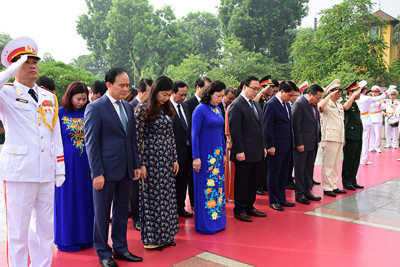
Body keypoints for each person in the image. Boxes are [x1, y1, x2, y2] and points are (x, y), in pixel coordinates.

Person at [0, 37, 65, 267]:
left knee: (45, 229)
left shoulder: (49, 96)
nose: (33, 65)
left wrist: (60, 168)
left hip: (45, 171)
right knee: (18, 232)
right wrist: (9, 71)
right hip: (19, 172)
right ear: (15, 66)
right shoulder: (6, 93)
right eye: (26, 61)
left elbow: (55, 135)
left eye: (35, 60)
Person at [85, 67, 143, 267]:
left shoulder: (127, 107)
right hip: (105, 171)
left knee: (120, 212)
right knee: (102, 213)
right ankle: (103, 252)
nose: (126, 89)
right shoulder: (95, 107)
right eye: (122, 85)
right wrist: (97, 172)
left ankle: (120, 248)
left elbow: (132, 139)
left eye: (128, 85)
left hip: (126, 169)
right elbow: (91, 144)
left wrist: (136, 164)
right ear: (109, 85)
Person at [135, 75, 179, 251]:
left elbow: (171, 136)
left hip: (166, 160)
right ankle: (152, 239)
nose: (166, 98)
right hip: (151, 162)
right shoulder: (142, 110)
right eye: (163, 94)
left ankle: (167, 235)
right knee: (152, 200)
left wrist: (175, 158)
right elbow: (137, 139)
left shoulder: (167, 109)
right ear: (155, 92)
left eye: (169, 95)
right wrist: (141, 163)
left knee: (167, 199)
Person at [55, 81, 93, 251]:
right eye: (78, 99)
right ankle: (67, 240)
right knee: (67, 201)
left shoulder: (90, 111)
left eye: (84, 99)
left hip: (87, 164)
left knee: (87, 200)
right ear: (69, 97)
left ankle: (87, 238)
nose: (81, 102)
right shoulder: (59, 113)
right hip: (66, 165)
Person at [229, 76, 267, 222]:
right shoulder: (237, 105)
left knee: (253, 181)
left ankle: (250, 206)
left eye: (258, 89)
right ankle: (240, 209)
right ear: (245, 87)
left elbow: (261, 128)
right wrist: (239, 150)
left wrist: (264, 145)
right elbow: (235, 130)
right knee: (242, 181)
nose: (256, 91)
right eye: (254, 88)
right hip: (244, 151)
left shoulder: (255, 104)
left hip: (257, 150)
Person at [192, 81, 227, 234]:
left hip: (217, 156)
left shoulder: (218, 109)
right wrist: (196, 157)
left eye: (222, 96)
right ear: (210, 93)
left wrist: (224, 153)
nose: (220, 98)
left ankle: (218, 220)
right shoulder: (200, 110)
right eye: (218, 95)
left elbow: (221, 133)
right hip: (205, 156)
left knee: (218, 189)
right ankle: (206, 224)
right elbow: (194, 134)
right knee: (205, 188)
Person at [264, 81, 298, 211]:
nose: (291, 98)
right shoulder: (271, 105)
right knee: (274, 173)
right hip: (276, 146)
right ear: (282, 91)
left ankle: (282, 197)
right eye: (289, 95)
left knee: (284, 173)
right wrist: (270, 145)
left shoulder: (287, 105)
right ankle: (273, 200)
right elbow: (268, 127)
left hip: (287, 145)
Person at [292, 84, 324, 205]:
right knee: (300, 169)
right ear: (310, 94)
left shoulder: (313, 104)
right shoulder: (299, 104)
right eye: (317, 97)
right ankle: (299, 193)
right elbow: (296, 125)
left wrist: (317, 139)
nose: (319, 100)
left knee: (309, 168)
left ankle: (307, 190)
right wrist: (299, 143)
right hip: (302, 144)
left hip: (312, 142)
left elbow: (316, 122)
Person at [129, 77, 152, 232]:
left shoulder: (151, 107)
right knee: (134, 188)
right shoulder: (130, 106)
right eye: (149, 93)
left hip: (148, 153)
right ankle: (135, 217)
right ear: (140, 91)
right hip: (132, 152)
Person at [184, 77, 211, 209]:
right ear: (197, 87)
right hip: (192, 145)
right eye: (206, 89)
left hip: (207, 146)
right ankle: (194, 202)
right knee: (192, 175)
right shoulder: (189, 103)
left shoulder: (211, 104)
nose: (208, 92)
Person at [318, 79, 347, 197]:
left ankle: (333, 185)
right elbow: (319, 106)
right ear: (331, 92)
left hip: (339, 137)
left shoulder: (339, 104)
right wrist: (328, 95)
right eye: (337, 91)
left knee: (335, 164)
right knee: (328, 164)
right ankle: (327, 187)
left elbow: (341, 123)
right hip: (330, 137)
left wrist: (343, 138)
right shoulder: (327, 103)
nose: (339, 93)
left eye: (340, 91)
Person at [356, 82, 396, 165]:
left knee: (361, 140)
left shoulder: (355, 98)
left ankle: (360, 158)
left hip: (359, 120)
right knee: (366, 140)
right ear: (364, 90)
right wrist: (389, 90)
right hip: (366, 120)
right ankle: (364, 159)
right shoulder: (367, 98)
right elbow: (382, 96)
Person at [170, 81, 193, 218]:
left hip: (187, 151)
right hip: (174, 152)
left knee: (183, 181)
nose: (183, 97)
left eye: (185, 94)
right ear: (173, 92)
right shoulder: (166, 108)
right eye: (180, 95)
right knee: (173, 183)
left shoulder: (185, 107)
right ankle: (171, 209)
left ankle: (180, 207)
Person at [341, 81, 364, 191]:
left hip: (357, 136)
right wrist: (353, 96)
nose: (360, 94)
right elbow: (345, 107)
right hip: (350, 136)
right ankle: (347, 181)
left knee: (356, 159)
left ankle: (353, 179)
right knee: (349, 160)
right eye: (357, 92)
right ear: (351, 93)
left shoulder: (355, 104)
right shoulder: (346, 102)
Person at [369, 86, 386, 153]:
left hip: (378, 118)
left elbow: (383, 107)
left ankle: (377, 147)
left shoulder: (381, 99)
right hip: (370, 117)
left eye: (376, 92)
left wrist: (375, 101)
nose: (374, 93)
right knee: (371, 134)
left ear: (379, 93)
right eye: (373, 92)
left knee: (378, 134)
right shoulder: (369, 99)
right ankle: (372, 147)